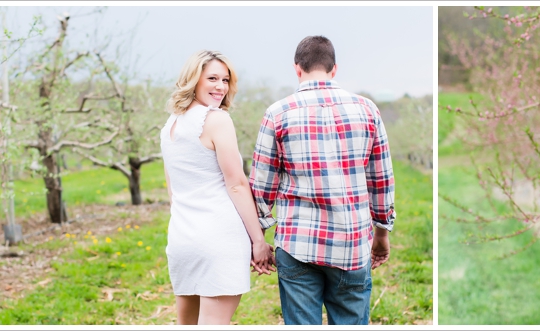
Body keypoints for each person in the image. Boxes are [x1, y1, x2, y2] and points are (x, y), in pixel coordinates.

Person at [250, 35, 396, 325]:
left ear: (297, 68)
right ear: (334, 68)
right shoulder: (367, 110)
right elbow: (381, 179)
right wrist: (382, 234)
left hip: (297, 244)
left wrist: (259, 240)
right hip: (352, 243)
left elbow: (261, 186)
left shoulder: (278, 113)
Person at [159, 50, 276, 325]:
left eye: (225, 80)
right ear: (193, 79)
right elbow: (236, 184)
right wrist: (258, 240)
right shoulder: (217, 120)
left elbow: (172, 191)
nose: (220, 87)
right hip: (218, 239)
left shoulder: (170, 125)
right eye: (212, 78)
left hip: (182, 239)